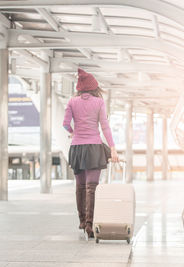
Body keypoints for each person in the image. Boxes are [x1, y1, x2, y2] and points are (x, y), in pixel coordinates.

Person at [63, 68, 118, 238]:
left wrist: (73, 131)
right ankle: (90, 223)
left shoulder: (72, 102)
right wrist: (113, 148)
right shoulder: (99, 102)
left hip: (77, 148)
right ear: (94, 88)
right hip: (94, 148)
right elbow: (105, 127)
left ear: (79, 88)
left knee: (80, 186)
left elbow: (65, 124)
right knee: (91, 187)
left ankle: (81, 220)